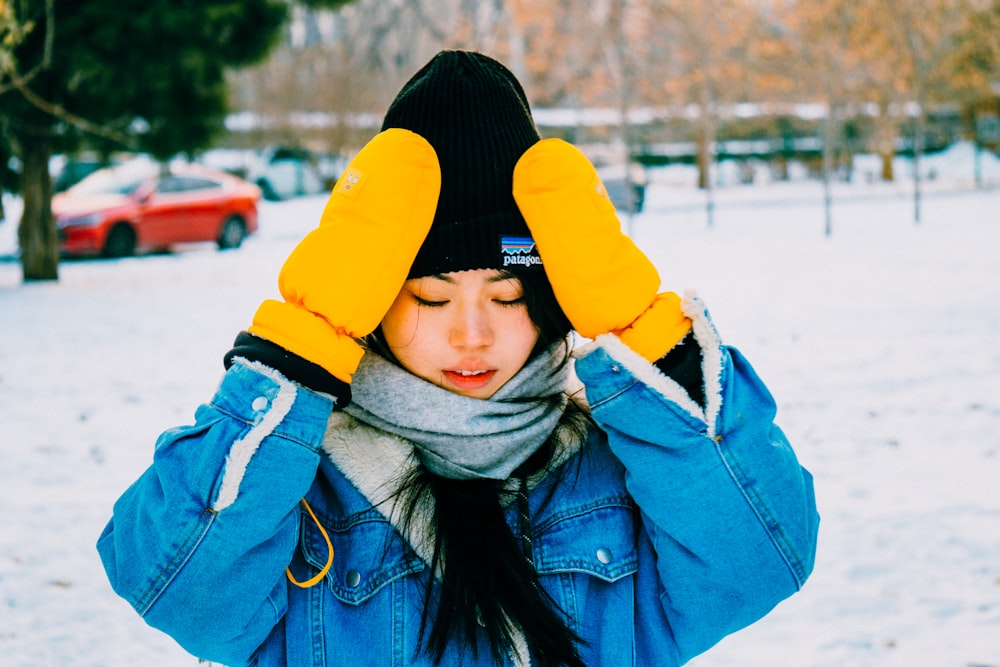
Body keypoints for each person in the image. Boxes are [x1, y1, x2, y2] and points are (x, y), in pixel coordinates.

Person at [97, 50, 819, 667]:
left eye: (506, 295)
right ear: (374, 300)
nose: (471, 335)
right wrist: (299, 347)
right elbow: (175, 583)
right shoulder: (295, 482)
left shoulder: (625, 468)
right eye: (430, 298)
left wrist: (647, 334)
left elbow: (758, 559)